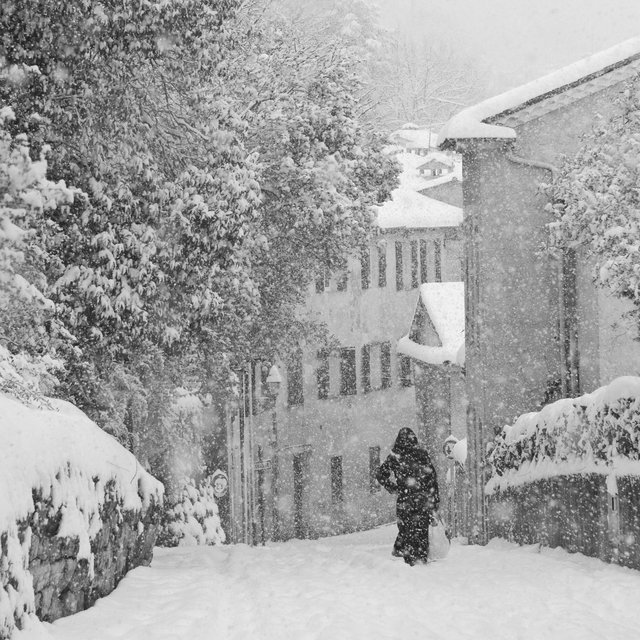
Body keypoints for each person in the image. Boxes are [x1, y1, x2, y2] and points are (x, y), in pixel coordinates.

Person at [377, 427, 439, 566]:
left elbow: (381, 475)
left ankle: (407, 559)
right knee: (421, 531)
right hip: (422, 500)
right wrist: (434, 501)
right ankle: (420, 558)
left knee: (406, 530)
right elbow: (432, 479)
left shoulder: (395, 456)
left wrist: (393, 488)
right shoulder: (421, 454)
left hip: (405, 500)